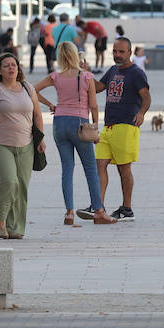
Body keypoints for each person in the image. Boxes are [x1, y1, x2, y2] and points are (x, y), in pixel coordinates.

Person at [34, 41, 117, 226]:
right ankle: (99, 211)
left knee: (67, 169)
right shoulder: (86, 76)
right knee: (90, 169)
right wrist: (95, 127)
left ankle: (69, 212)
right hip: (79, 123)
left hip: (59, 123)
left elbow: (33, 89)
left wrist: (50, 105)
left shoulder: (55, 76)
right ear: (75, 55)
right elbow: (94, 105)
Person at [0, 52, 45, 239]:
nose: (11, 68)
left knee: (21, 187)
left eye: (14, 65)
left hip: (26, 143)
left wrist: (41, 138)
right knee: (10, 182)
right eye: (6, 66)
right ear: (0, 71)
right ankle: (1, 221)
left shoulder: (28, 88)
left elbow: (37, 114)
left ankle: (15, 228)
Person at [93, 38, 151, 217]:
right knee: (99, 165)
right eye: (115, 51)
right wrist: (84, 72)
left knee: (123, 168)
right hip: (108, 126)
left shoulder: (136, 73)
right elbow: (97, 88)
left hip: (126, 125)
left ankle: (126, 207)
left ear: (130, 53)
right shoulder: (112, 70)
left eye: (121, 52)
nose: (117, 55)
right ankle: (98, 206)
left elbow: (146, 97)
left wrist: (141, 113)